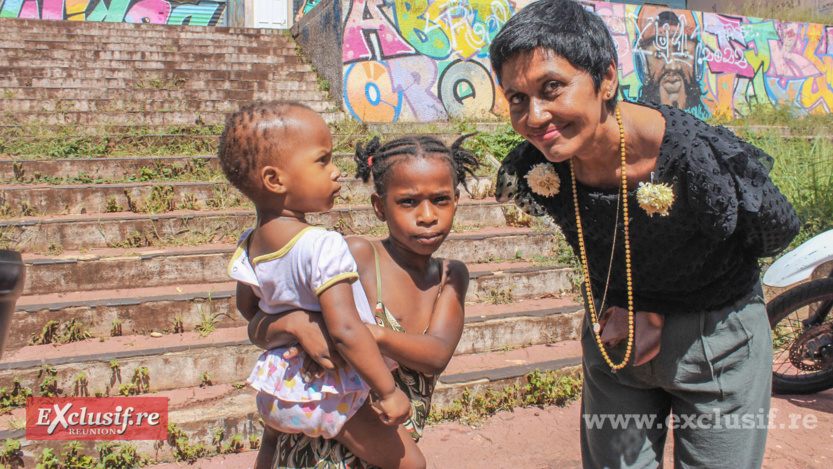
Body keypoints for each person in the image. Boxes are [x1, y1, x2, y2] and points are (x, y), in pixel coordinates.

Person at [488, 1, 800, 468]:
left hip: (717, 339)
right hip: (616, 339)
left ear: (607, 79)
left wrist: (658, 305)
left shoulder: (695, 159)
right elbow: (596, 242)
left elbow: (774, 233)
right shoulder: (538, 165)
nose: (534, 116)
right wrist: (631, 306)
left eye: (552, 88)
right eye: (516, 97)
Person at [243, 133, 478, 467]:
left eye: (440, 200)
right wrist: (296, 325)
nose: (427, 215)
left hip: (384, 445)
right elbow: (261, 327)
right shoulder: (358, 256)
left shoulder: (451, 276)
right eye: (408, 202)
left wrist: (370, 334)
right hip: (320, 447)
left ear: (456, 200)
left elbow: (436, 354)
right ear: (380, 207)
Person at [219, 101, 420, 469]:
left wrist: (293, 322)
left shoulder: (249, 242)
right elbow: (344, 330)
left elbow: (251, 312)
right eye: (323, 160)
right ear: (275, 180)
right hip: (328, 389)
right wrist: (388, 392)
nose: (336, 171)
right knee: (411, 464)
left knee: (270, 454)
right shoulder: (323, 244)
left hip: (277, 389)